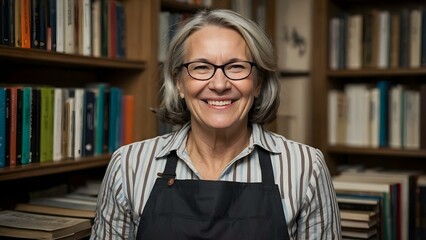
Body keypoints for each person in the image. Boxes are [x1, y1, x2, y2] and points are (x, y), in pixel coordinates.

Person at [90, 9, 341, 239]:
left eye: (236, 67)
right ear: (179, 83)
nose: (219, 85)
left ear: (258, 83)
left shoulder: (307, 167)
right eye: (201, 67)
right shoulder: (129, 165)